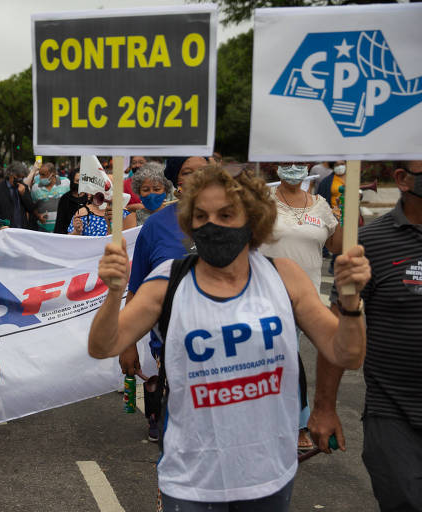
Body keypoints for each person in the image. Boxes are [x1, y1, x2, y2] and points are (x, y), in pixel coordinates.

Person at [89, 165, 369, 510]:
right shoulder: (170, 280)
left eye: (226, 214)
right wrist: (112, 293)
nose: (213, 224)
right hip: (192, 479)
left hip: (267, 475)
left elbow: (348, 355)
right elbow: (102, 345)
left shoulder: (284, 277)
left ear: (253, 219)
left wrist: (351, 303)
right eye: (201, 215)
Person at [308, 160, 422, 511]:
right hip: (396, 414)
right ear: (402, 180)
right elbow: (338, 325)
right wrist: (324, 408)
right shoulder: (366, 246)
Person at [259, 163, 343, 451]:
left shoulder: (321, 206)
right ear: (276, 167)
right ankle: (293, 424)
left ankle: (294, 425)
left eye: (299, 162)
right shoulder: (262, 202)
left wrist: (345, 216)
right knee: (282, 360)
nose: (293, 168)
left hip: (306, 298)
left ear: (307, 167)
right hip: (267, 295)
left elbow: (337, 246)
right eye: (286, 162)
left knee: (288, 361)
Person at [0, 162, 39, 229]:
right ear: (10, 174)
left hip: (21, 228)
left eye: (22, 177)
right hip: (4, 229)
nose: (19, 180)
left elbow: (31, 209)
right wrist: (0, 225)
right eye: (17, 177)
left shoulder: (23, 187)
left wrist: (24, 195)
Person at [68, 194, 136, 236]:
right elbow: (69, 242)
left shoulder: (124, 213)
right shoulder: (83, 213)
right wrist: (76, 232)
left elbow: (130, 240)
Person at [130, 162, 175, 226]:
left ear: (166, 190)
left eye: (156, 189)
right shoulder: (133, 219)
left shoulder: (175, 215)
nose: (151, 194)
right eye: (146, 190)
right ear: (138, 191)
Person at [30, 162, 70, 232]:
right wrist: (38, 216)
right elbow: (32, 206)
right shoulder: (35, 187)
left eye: (43, 175)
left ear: (53, 174)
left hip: (63, 228)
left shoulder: (66, 182)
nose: (40, 178)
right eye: (40, 174)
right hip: (43, 229)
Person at [54, 168, 88, 234]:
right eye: (77, 181)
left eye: (83, 180)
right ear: (72, 181)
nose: (80, 183)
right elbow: (59, 225)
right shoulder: (65, 199)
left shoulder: (90, 198)